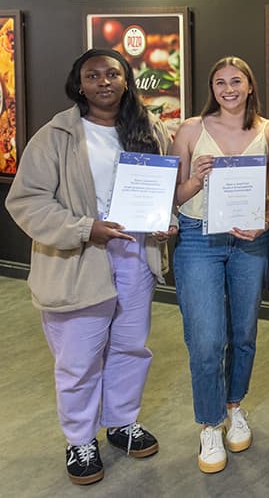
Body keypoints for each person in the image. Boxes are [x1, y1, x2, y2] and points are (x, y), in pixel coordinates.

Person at [5, 48, 176, 485]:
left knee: (130, 347)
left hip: (135, 256)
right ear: (78, 84)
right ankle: (80, 438)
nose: (104, 81)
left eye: (113, 74)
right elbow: (26, 201)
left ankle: (121, 422)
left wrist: (164, 222)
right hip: (78, 259)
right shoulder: (55, 135)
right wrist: (85, 228)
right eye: (93, 75)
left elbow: (163, 190)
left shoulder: (148, 128)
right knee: (79, 358)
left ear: (126, 80)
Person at [171, 56, 269, 473]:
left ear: (250, 85)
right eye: (220, 83)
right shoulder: (190, 131)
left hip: (250, 242)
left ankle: (235, 406)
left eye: (237, 81)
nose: (229, 89)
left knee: (243, 333)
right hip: (200, 239)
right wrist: (195, 180)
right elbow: (173, 197)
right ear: (211, 88)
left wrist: (267, 218)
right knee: (206, 339)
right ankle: (209, 423)